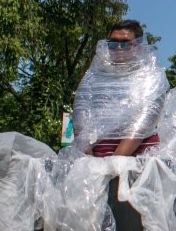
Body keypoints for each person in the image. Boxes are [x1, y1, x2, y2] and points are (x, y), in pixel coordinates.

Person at [72, 19, 169, 157]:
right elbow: (80, 114)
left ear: (139, 47)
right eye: (112, 44)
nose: (118, 48)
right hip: (94, 158)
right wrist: (88, 158)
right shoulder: (93, 77)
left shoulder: (151, 77)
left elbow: (144, 120)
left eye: (125, 44)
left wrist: (115, 161)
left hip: (140, 160)